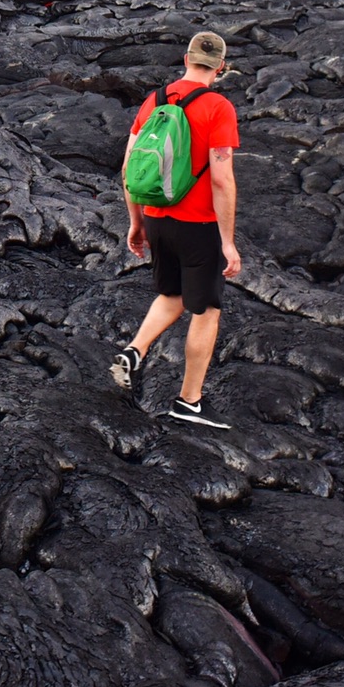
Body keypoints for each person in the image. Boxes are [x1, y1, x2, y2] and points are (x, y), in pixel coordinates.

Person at [108, 31, 242, 428]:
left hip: (156, 216)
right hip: (198, 225)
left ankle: (134, 350)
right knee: (207, 310)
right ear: (220, 67)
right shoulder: (218, 107)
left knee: (173, 294)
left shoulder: (155, 99)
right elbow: (222, 180)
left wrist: (136, 222)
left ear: (185, 59)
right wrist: (229, 242)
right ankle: (189, 401)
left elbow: (130, 167)